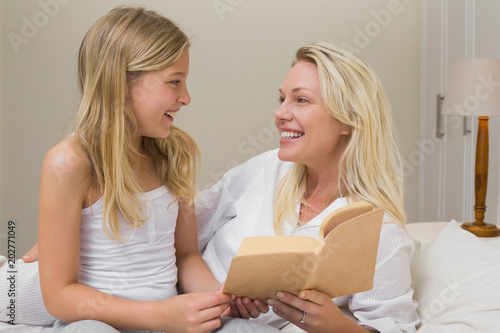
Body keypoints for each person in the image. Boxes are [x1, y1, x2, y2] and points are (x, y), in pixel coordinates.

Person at [18, 42, 419, 332]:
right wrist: (68, 230)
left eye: (301, 100)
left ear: (349, 118)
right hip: (150, 297)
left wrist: (335, 327)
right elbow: (173, 225)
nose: (280, 114)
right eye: (282, 99)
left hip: (207, 321)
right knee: (20, 293)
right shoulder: (266, 171)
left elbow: (394, 327)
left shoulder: (379, 233)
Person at [32, 6, 279, 333]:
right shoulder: (69, 162)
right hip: (99, 323)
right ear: (121, 83)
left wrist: (219, 299)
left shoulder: (177, 152)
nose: (186, 97)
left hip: (170, 322)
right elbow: (59, 296)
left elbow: (186, 255)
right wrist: (159, 316)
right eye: (174, 82)